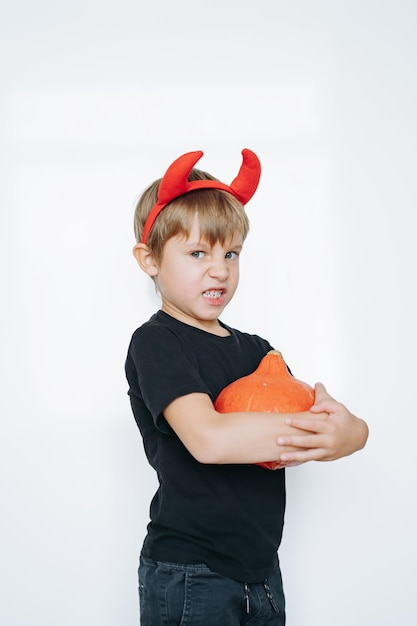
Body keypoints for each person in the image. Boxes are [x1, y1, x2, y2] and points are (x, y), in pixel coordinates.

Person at [125, 149, 368, 626]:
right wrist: (310, 432)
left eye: (230, 253)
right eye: (198, 253)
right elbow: (209, 439)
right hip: (190, 571)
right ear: (149, 259)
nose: (219, 270)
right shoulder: (156, 342)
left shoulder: (259, 351)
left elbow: (339, 428)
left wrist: (347, 434)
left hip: (260, 570)